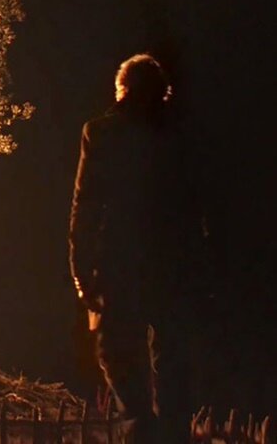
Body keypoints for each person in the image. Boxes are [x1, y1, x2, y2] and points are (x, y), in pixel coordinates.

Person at [69, 54, 204, 443]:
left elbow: (87, 204)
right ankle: (170, 431)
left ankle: (142, 426)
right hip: (174, 263)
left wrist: (82, 269)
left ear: (122, 88)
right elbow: (197, 205)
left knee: (117, 350)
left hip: (120, 262)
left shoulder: (102, 133)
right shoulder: (181, 138)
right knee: (173, 355)